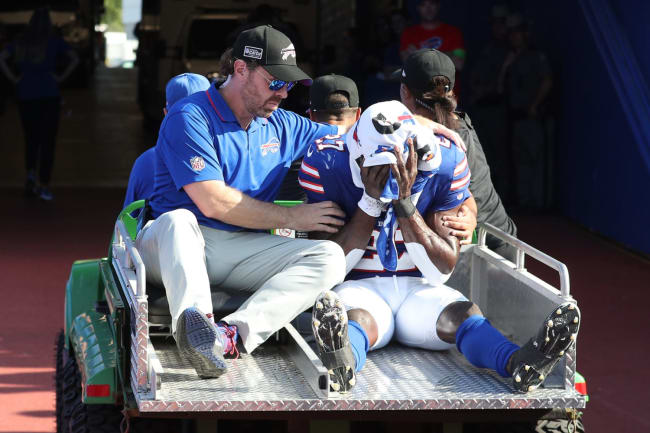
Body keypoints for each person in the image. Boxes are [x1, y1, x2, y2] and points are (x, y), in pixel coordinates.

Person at [300, 98, 580, 393]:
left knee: (462, 314)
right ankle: (343, 363)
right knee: (355, 319)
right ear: (357, 155)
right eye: (385, 167)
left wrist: (405, 203)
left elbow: (440, 270)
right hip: (358, 286)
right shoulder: (327, 163)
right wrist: (370, 202)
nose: (397, 172)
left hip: (419, 287)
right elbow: (330, 267)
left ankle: (518, 362)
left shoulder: (445, 161)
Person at [135, 25, 353, 380]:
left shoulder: (284, 124)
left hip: (239, 248)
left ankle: (226, 337)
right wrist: (297, 217)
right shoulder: (188, 115)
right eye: (275, 82)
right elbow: (214, 202)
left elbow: (356, 137)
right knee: (178, 222)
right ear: (240, 70)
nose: (283, 93)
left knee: (330, 257)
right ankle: (197, 330)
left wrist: (431, 130)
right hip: (172, 245)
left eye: (290, 85)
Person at [399, 49, 517, 259]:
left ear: (404, 92)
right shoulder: (459, 122)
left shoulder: (420, 138)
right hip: (500, 237)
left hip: (471, 243)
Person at [0, 8, 79, 200]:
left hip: (25, 94)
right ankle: (44, 184)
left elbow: (1, 58)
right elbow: (75, 59)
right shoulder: (53, 41)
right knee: (47, 140)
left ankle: (30, 175)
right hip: (49, 94)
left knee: (31, 137)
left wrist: (15, 78)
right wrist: (59, 77)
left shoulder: (21, 41)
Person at [123, 73, 211, 209]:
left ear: (165, 113)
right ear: (211, 114)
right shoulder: (227, 156)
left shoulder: (146, 160)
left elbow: (129, 219)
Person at [499, 14, 553, 209]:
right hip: (515, 117)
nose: (515, 37)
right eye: (512, 33)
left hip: (531, 116)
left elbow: (547, 81)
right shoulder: (511, 57)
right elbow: (501, 87)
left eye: (518, 33)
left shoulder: (535, 56)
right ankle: (525, 202)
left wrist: (535, 105)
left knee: (535, 159)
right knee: (520, 160)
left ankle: (538, 203)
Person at [399, 0, 464, 93]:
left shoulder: (454, 32)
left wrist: (420, 54)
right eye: (423, 4)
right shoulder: (408, 34)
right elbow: (409, 66)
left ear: (438, 6)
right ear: (418, 8)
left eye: (432, 3)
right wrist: (447, 54)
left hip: (448, 97)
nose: (428, 9)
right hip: (419, 97)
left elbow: (459, 64)